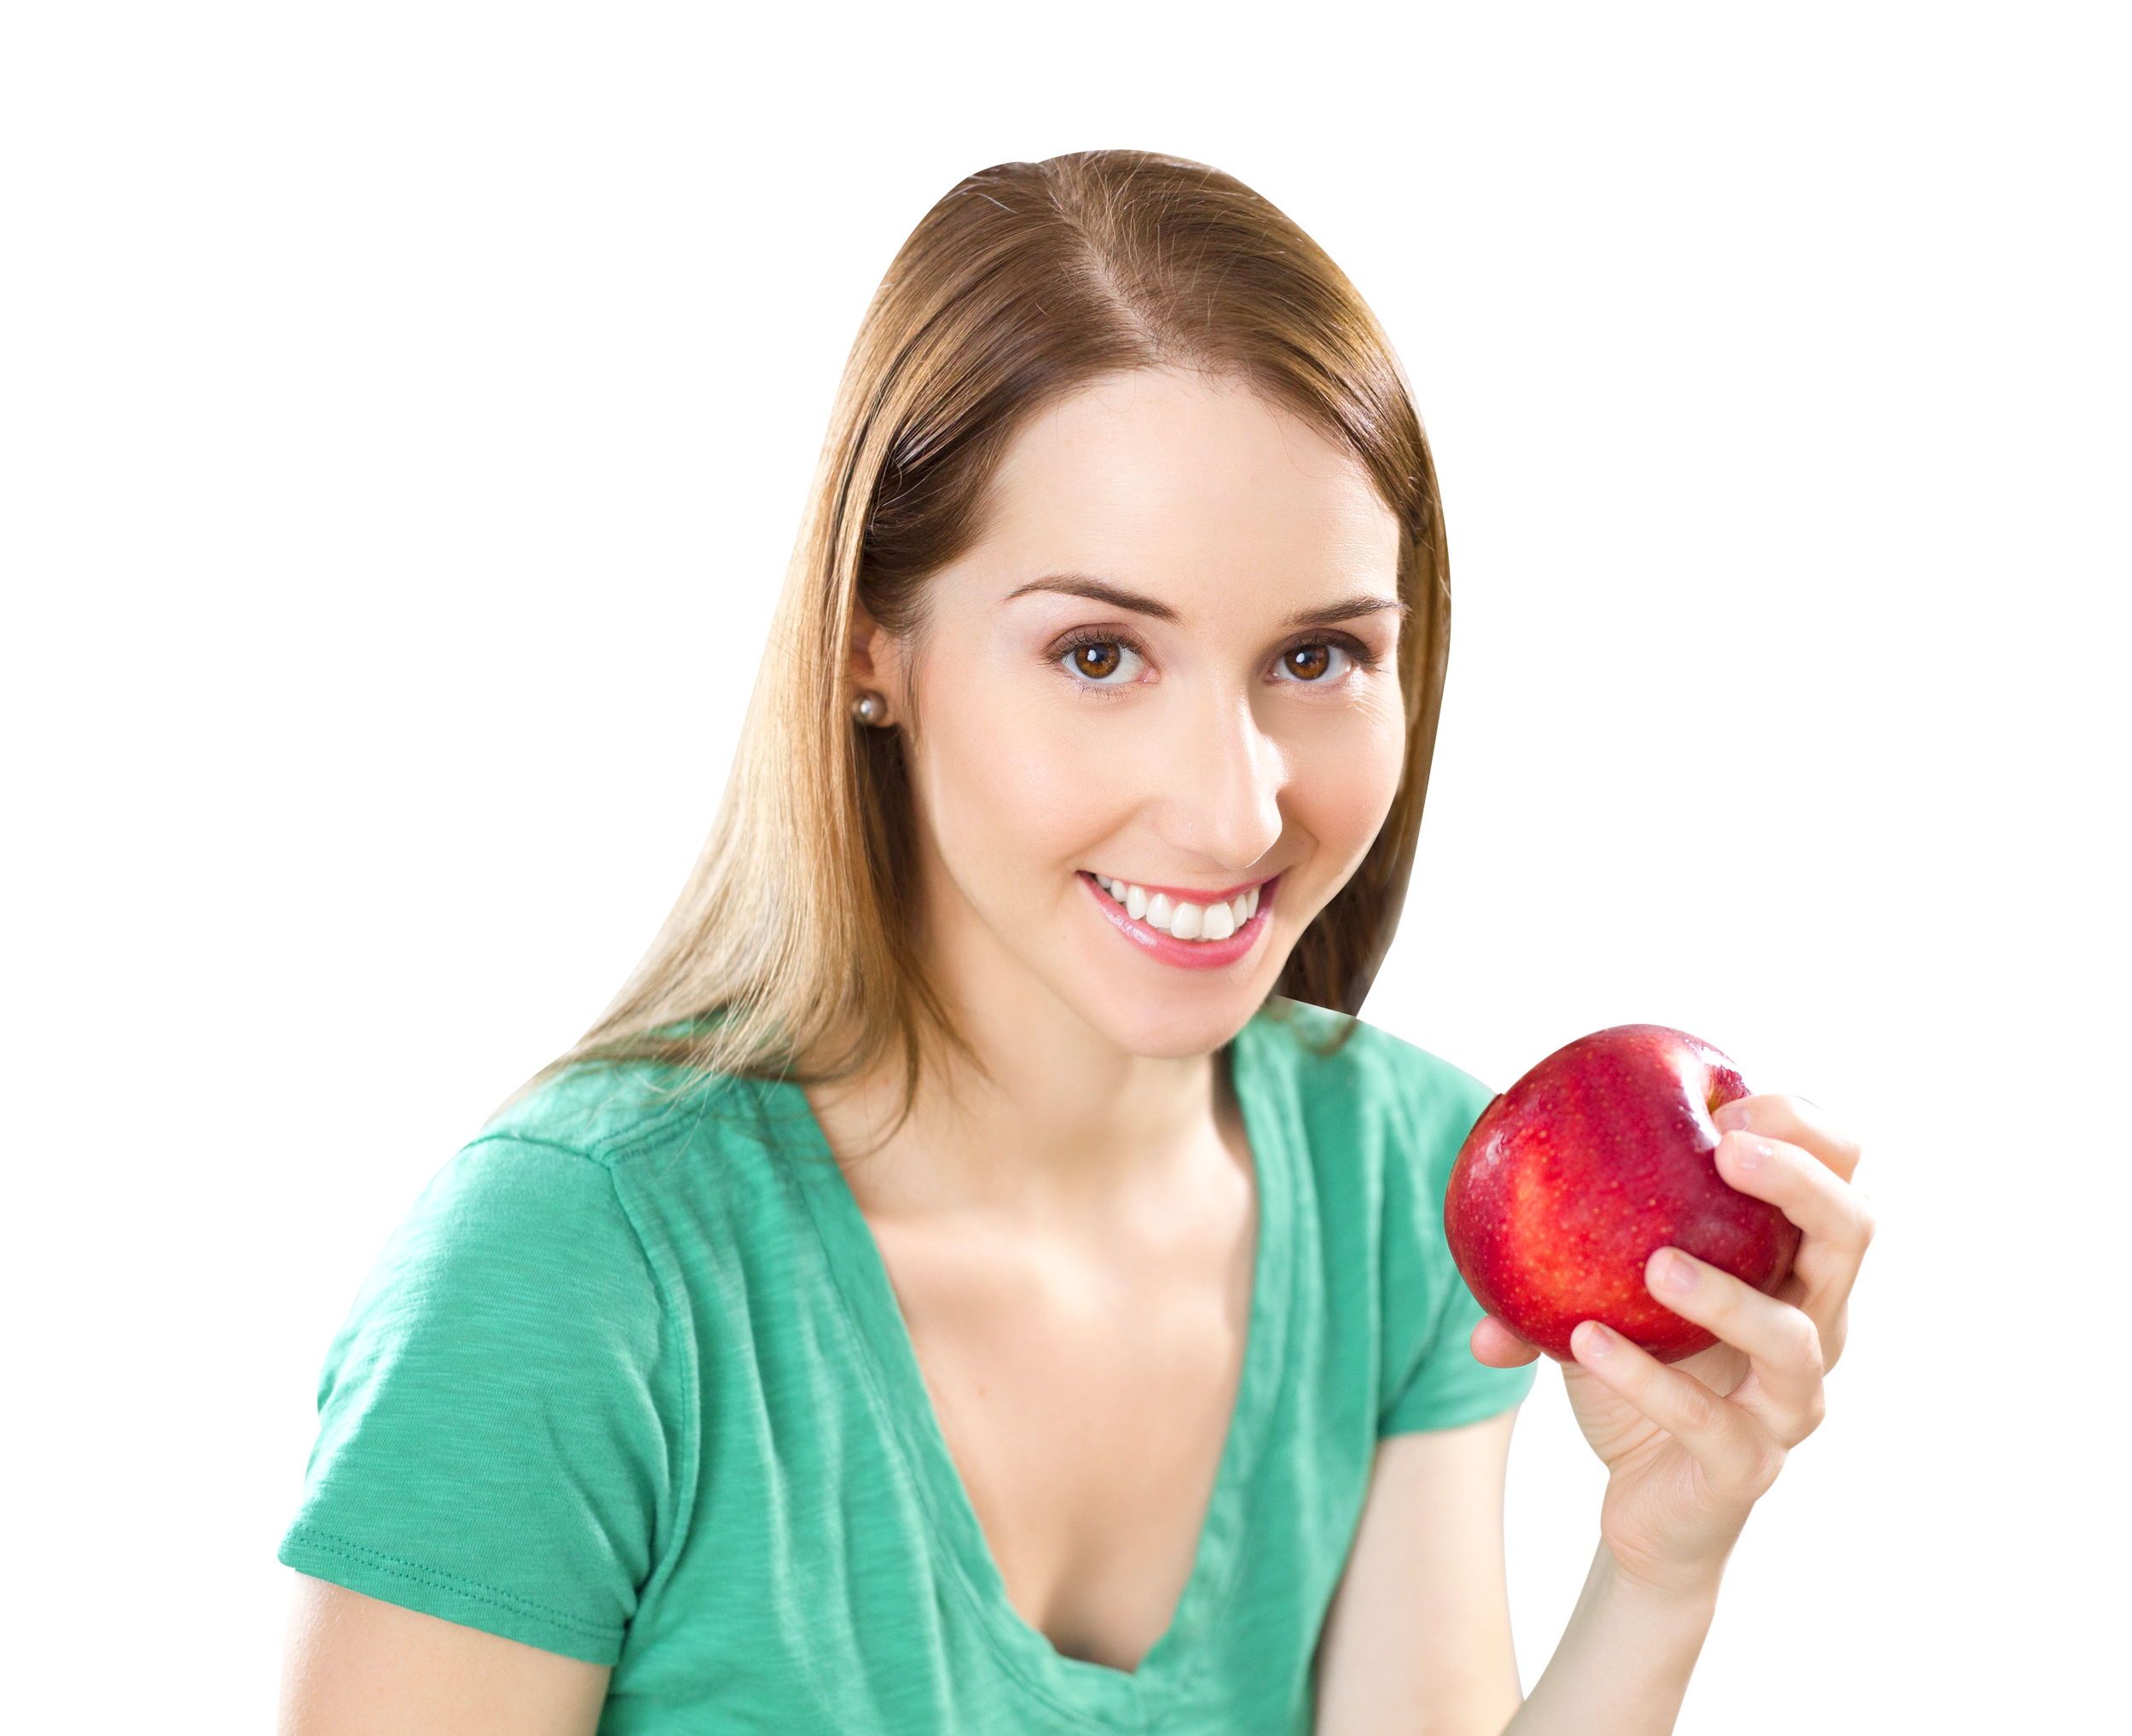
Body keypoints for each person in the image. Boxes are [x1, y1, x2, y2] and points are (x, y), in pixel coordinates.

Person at [275, 151, 1874, 1735]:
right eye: (1101, 654)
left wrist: (1661, 1570)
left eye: (1317, 655)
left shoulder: (1396, 1182)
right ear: (870, 652)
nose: (1237, 809)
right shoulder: (569, 1273)